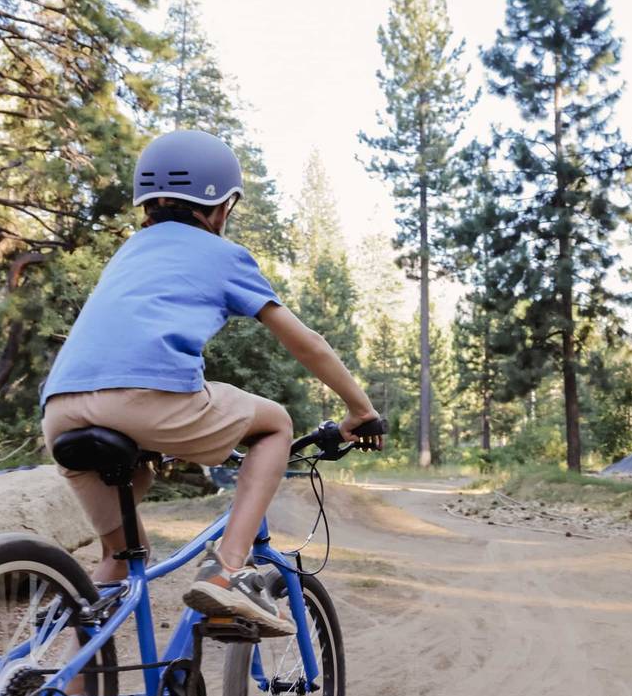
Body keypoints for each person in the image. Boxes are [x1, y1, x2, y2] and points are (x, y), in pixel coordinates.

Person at [40, 129, 384, 635]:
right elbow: (304, 341)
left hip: (61, 408)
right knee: (275, 426)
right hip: (147, 398)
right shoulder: (223, 255)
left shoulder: (130, 252)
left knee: (120, 554)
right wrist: (361, 411)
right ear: (220, 206)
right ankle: (227, 572)